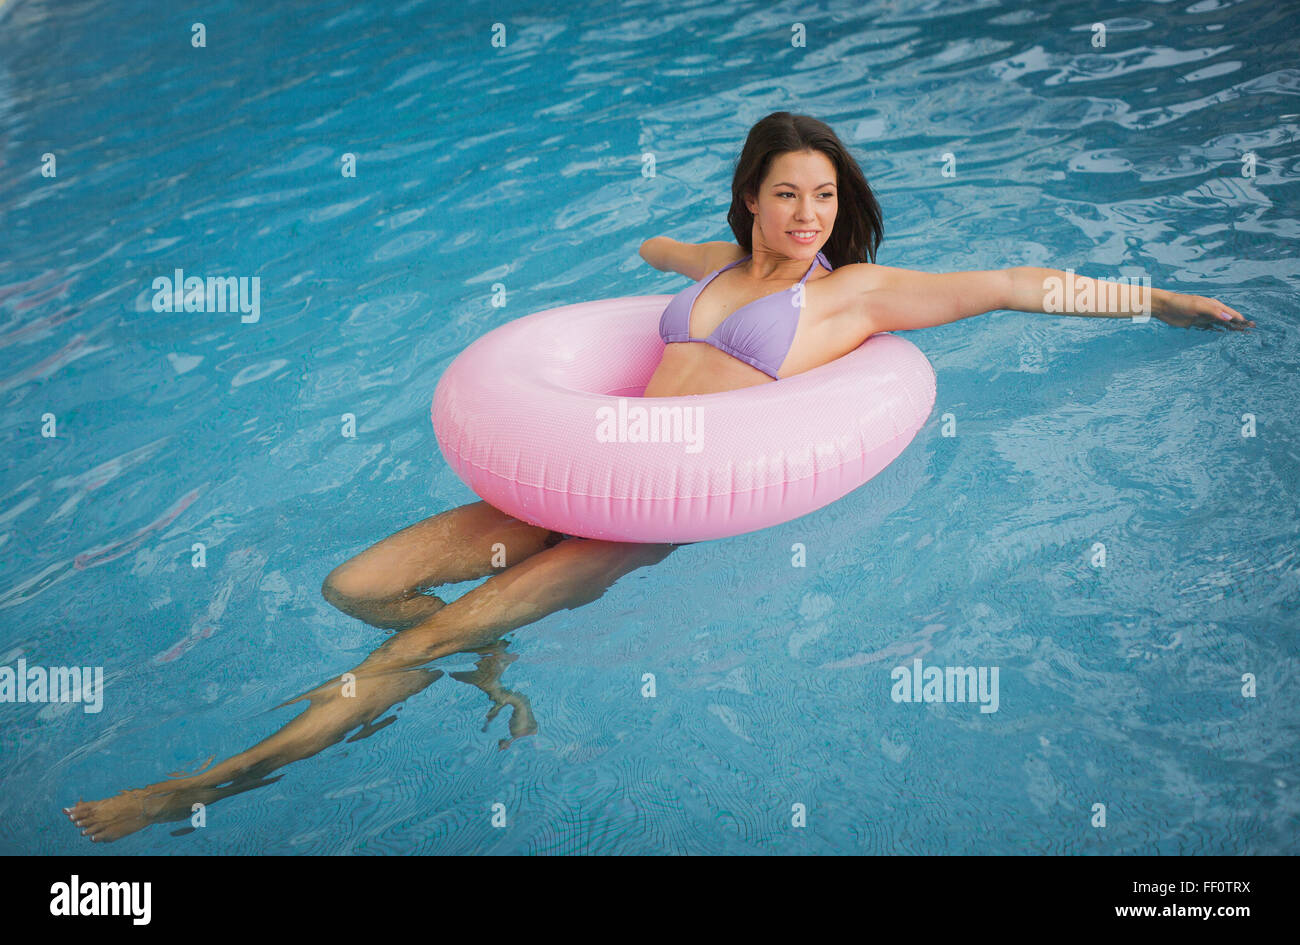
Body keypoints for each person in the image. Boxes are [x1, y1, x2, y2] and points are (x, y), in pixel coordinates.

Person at [65, 111, 1250, 842]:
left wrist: (1154, 301)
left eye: (825, 194)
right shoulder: (710, 269)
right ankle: (490, 656)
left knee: (398, 650)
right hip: (559, 475)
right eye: (786, 191)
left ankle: (195, 789)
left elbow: (1010, 282)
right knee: (355, 585)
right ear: (750, 197)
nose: (807, 212)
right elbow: (654, 253)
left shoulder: (851, 298)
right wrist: (666, 258)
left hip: (637, 519)